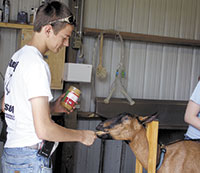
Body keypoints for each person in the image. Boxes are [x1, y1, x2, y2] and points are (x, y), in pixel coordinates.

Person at [1, 1, 96, 172]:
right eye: (65, 37)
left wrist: (52, 107)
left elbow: (7, 105)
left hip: (11, 156)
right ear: (48, 30)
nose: (66, 44)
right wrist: (82, 136)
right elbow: (44, 130)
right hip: (30, 161)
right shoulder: (37, 64)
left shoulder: (17, 58)